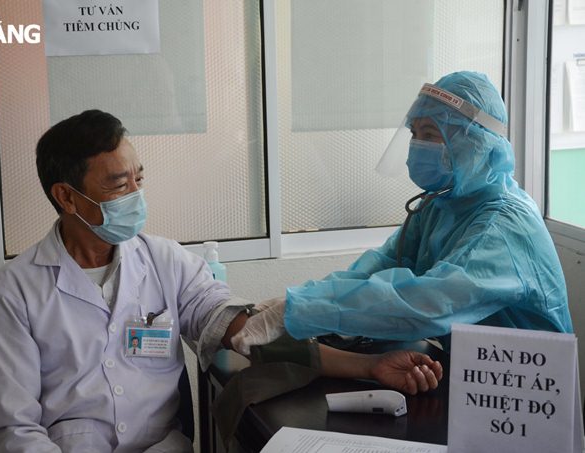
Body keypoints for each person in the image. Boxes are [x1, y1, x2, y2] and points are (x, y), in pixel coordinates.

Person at [0, 110, 442, 453]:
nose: (136, 196)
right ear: (67, 197)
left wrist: (368, 365)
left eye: (140, 179)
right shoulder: (13, 292)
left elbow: (245, 334)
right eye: (119, 186)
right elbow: (13, 430)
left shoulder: (164, 261)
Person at [232, 71, 573, 356]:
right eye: (414, 133)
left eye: (430, 135)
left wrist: (301, 312)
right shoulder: (442, 203)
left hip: (524, 396)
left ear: (475, 143)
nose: (417, 145)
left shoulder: (502, 225)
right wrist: (300, 299)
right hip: (472, 378)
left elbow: (428, 304)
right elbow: (379, 266)